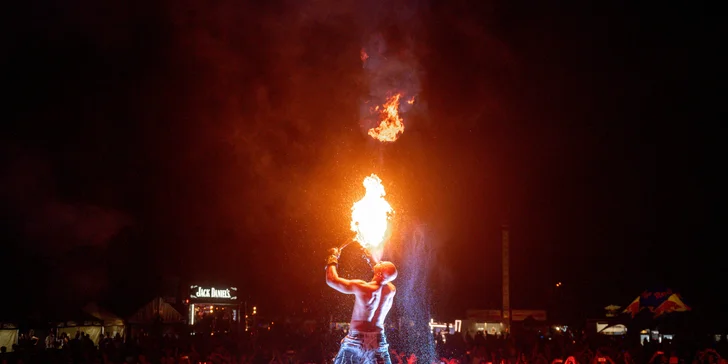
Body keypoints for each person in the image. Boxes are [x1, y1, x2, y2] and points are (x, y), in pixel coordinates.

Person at [325, 244, 398, 364]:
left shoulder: (363, 287)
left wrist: (332, 258)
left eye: (381, 263)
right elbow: (382, 274)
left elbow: (331, 280)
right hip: (378, 341)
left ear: (379, 273)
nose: (379, 261)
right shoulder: (391, 290)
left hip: (356, 341)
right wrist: (370, 258)